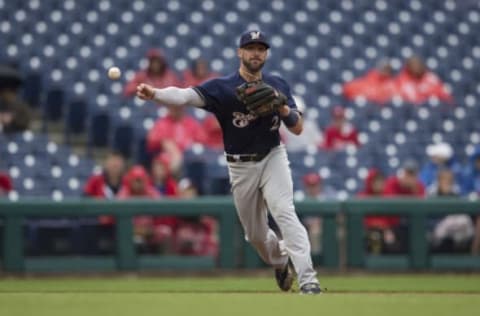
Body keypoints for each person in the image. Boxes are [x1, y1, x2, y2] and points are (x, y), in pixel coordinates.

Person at [136, 30, 321, 294]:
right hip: (240, 165)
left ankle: (308, 281)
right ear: (240, 52)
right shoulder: (222, 88)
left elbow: (298, 128)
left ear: (266, 53)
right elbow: (184, 96)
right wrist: (155, 93)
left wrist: (281, 108)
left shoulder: (278, 83)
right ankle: (280, 262)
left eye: (261, 48)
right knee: (255, 235)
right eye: (250, 48)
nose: (256, 53)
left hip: (272, 157)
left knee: (284, 212)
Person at [0, 65, 31, 133]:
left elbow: (25, 123)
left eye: (9, 91)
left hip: (15, 134)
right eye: (4, 92)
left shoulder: (21, 106)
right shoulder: (1, 103)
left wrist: (12, 118)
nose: (6, 95)